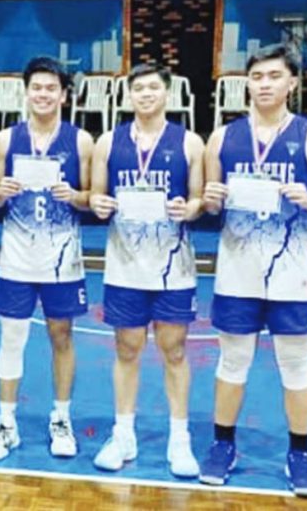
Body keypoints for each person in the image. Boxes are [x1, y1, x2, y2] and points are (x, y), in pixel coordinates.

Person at [198, 44, 307, 497]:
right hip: (237, 269)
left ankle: (299, 453)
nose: (264, 84)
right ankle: (223, 445)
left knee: (296, 365)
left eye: (273, 76)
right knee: (232, 360)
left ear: (291, 82)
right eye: (257, 76)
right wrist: (211, 199)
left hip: (293, 273)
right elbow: (207, 200)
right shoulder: (222, 137)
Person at [88, 64, 204, 476]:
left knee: (173, 351)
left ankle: (180, 439)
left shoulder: (190, 143)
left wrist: (187, 208)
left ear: (167, 94)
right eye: (138, 88)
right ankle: (123, 435)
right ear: (128, 95)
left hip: (173, 267)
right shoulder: (108, 141)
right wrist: (98, 204)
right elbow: (96, 197)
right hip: (124, 266)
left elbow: (199, 201)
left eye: (154, 87)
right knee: (127, 349)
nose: (146, 94)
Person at [0, 56, 94, 461]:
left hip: (62, 257)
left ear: (63, 94)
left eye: (51, 88)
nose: (43, 95)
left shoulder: (81, 141)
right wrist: (1, 192)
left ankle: (60, 418)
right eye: (36, 88)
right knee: (12, 337)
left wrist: (73, 196)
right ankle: (6, 422)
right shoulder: (5, 140)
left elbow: (91, 200)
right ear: (26, 92)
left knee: (61, 337)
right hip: (16, 256)